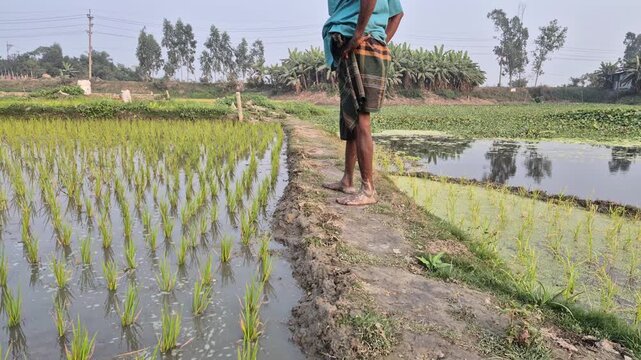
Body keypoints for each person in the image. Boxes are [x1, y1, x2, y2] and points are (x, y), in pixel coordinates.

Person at [322, 0, 404, 206]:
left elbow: (396, 15)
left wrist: (362, 35)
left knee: (360, 118)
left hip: (359, 45)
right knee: (350, 117)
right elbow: (397, 14)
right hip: (351, 46)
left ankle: (368, 190)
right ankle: (347, 180)